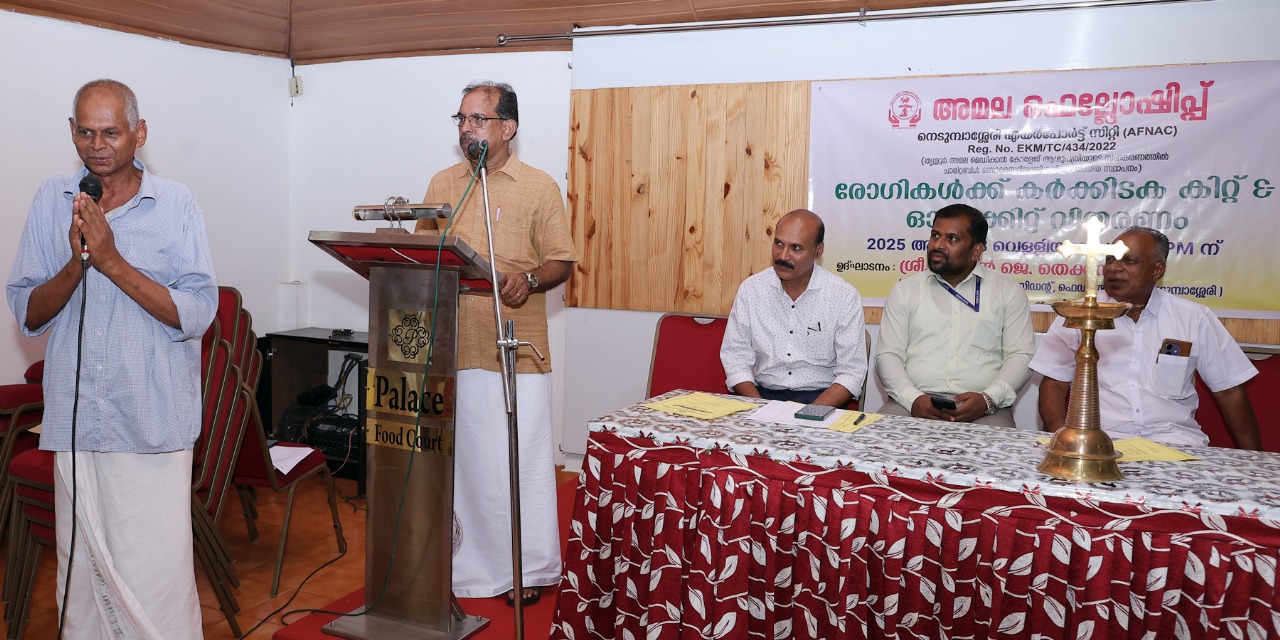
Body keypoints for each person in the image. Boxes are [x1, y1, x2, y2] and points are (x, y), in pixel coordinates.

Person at [6, 79, 217, 638]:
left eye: (111, 132)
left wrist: (112, 260)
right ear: (71, 132)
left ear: (139, 133)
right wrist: (79, 262)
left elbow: (197, 313)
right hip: (79, 423)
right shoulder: (53, 199)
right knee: (81, 581)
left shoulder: (175, 205)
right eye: (85, 131)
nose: (97, 145)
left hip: (149, 423)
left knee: (154, 579)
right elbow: (28, 312)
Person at [414, 81, 577, 606]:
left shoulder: (538, 187)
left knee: (519, 465)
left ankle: (528, 569)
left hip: (513, 349)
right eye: (461, 119)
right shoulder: (444, 182)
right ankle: (466, 565)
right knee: (464, 465)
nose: (466, 129)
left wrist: (526, 280)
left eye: (478, 119)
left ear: (507, 128)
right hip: (452, 347)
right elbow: (417, 254)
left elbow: (561, 261)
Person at [1030, 227, 1260, 449]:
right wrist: (1064, 443)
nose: (1114, 269)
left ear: (1158, 270)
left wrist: (1254, 464)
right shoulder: (1079, 315)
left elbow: (1230, 391)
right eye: (1110, 260)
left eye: (1129, 261)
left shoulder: (1193, 318)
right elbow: (1053, 384)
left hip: (1176, 442)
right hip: (1099, 442)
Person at [875, 203, 1035, 427]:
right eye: (935, 235)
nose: (937, 245)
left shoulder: (1007, 291)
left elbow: (1022, 356)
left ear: (976, 251)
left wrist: (988, 399)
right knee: (875, 449)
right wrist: (914, 400)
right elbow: (887, 356)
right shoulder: (905, 291)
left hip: (985, 410)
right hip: (910, 405)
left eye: (952, 239)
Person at [720, 209, 867, 407]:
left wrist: (809, 415)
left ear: (818, 251)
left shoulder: (843, 296)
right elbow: (736, 359)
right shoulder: (751, 289)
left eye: (796, 248)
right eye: (778, 243)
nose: (783, 255)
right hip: (760, 396)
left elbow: (852, 372)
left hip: (822, 399)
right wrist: (761, 410)